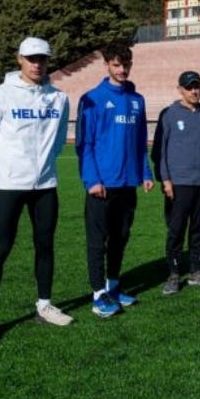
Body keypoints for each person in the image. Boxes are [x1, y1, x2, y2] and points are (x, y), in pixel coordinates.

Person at [0, 37, 72, 344]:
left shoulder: (59, 98)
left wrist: (44, 168)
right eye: (31, 58)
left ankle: (44, 305)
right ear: (19, 59)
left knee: (45, 246)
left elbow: (58, 142)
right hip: (9, 186)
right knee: (1, 247)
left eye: (42, 58)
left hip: (45, 186)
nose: (37, 64)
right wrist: (1, 176)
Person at [75, 42, 155, 318]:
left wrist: (145, 172)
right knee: (98, 241)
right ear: (107, 65)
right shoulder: (92, 98)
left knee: (120, 238)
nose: (122, 70)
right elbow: (84, 144)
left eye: (126, 65)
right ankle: (98, 294)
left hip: (128, 183)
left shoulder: (137, 100)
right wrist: (92, 180)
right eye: (116, 65)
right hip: (102, 185)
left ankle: (113, 285)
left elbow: (140, 142)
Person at [153, 71, 200, 295]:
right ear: (180, 90)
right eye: (189, 87)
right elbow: (160, 151)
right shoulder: (169, 114)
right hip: (178, 183)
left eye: (197, 87)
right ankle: (174, 274)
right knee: (176, 230)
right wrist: (165, 180)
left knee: (199, 229)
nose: (194, 91)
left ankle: (196, 270)